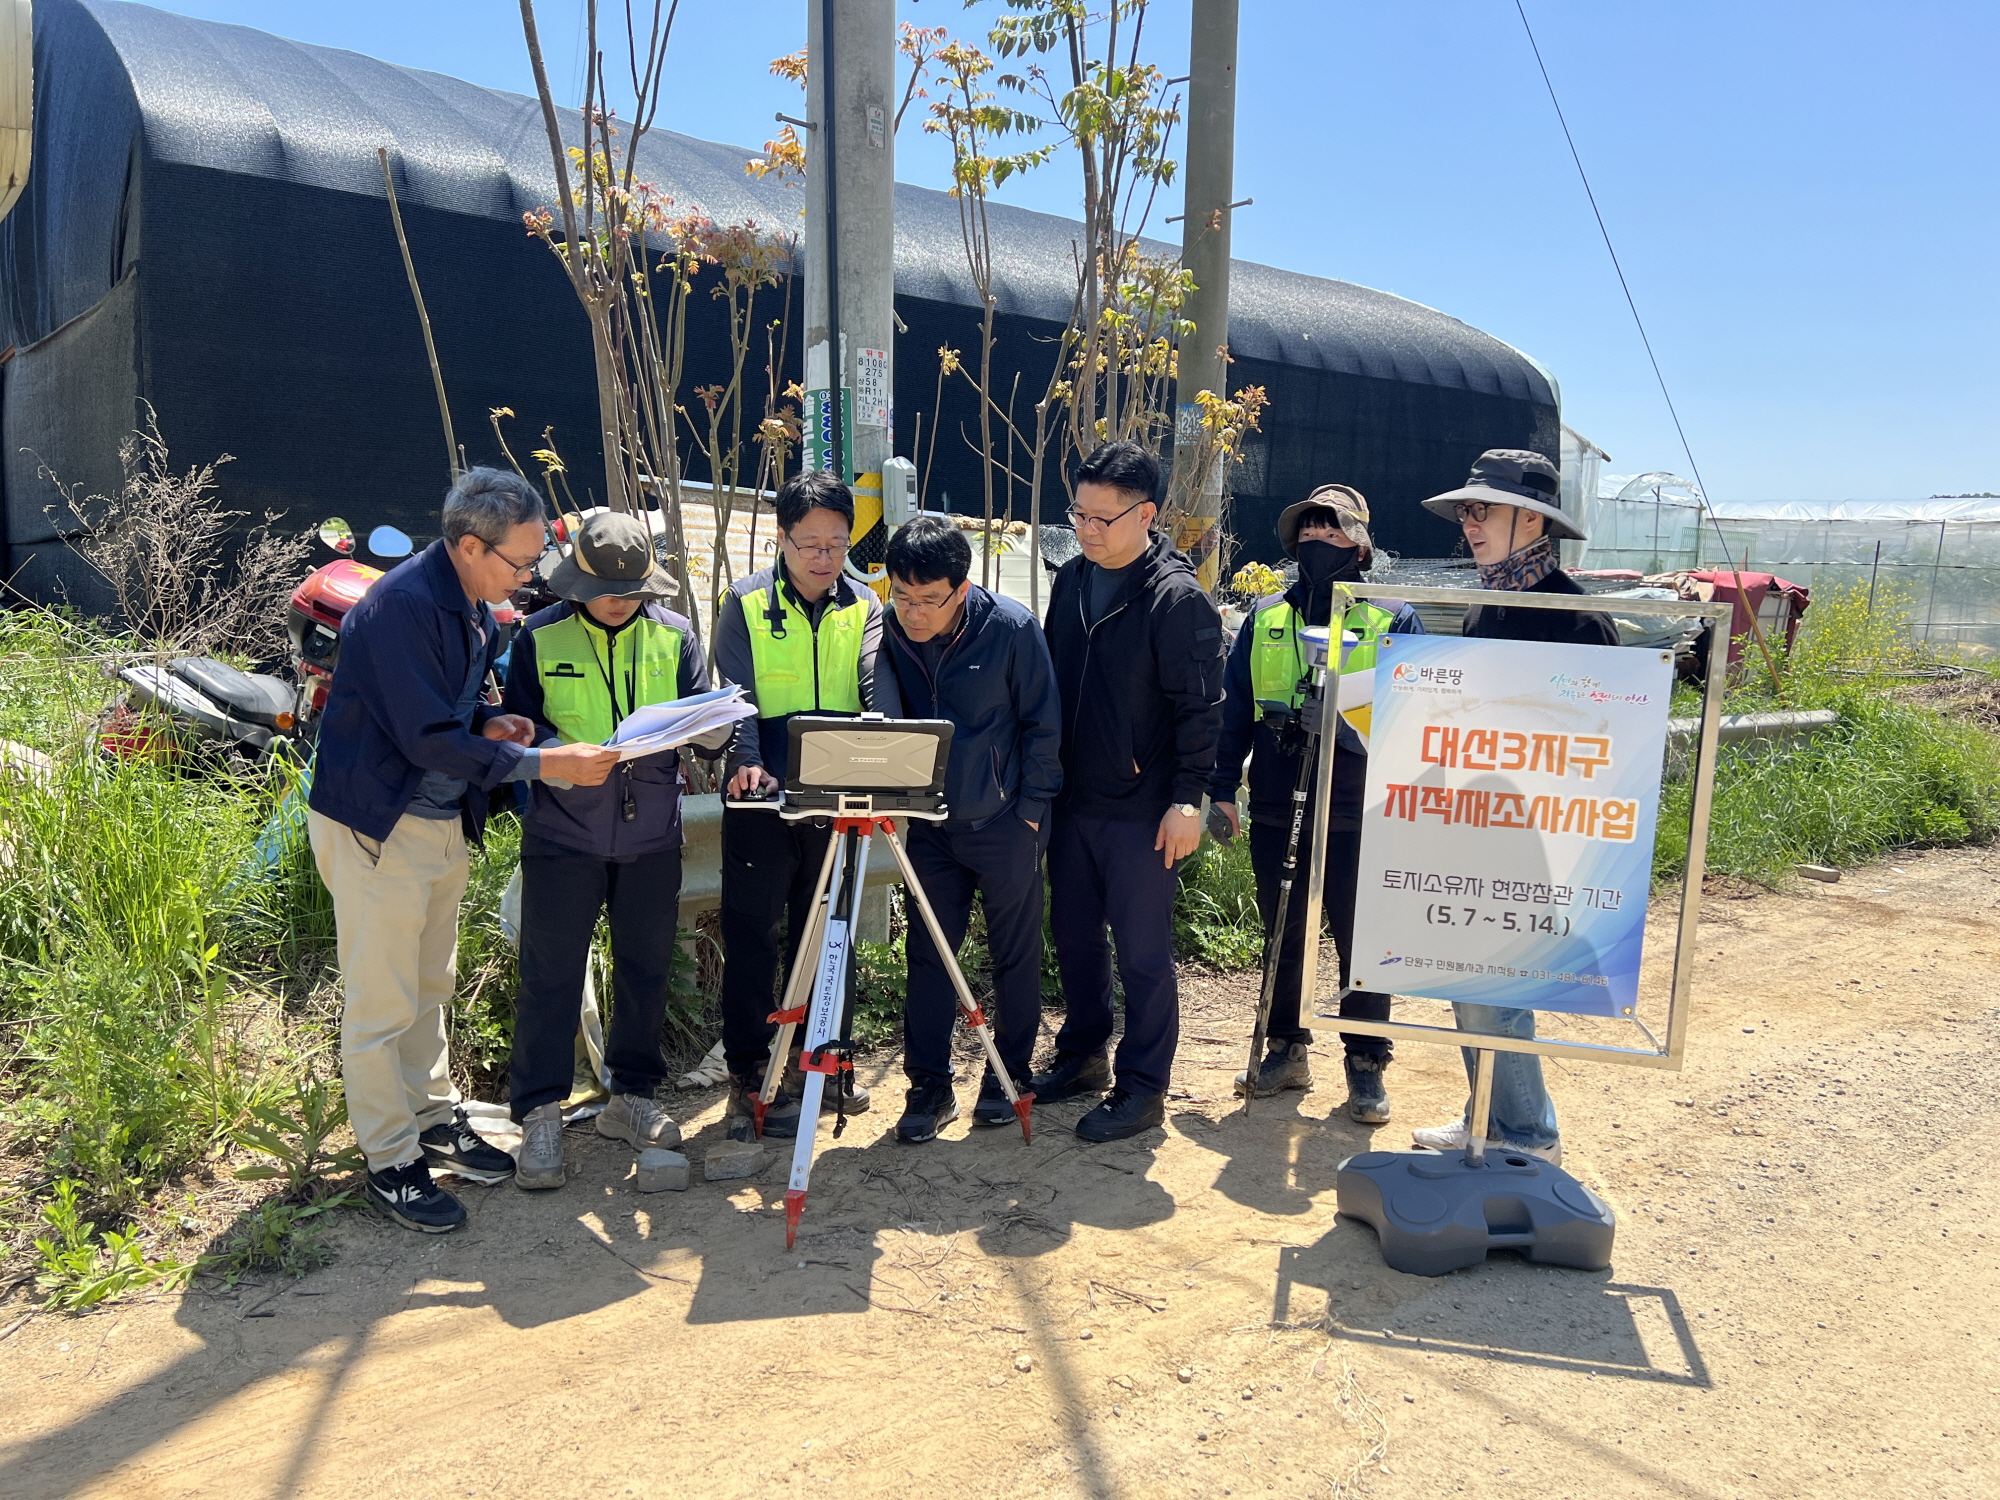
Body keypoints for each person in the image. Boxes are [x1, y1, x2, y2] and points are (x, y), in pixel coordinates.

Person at [306, 468, 621, 1232]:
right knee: (381, 1004)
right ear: (469, 545)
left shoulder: (475, 603)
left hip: (439, 821)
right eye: (519, 562)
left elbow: (451, 710)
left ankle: (434, 1117)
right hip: (377, 824)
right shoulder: (401, 607)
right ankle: (391, 1160)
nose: (527, 577)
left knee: (429, 981)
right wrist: (546, 762)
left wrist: (491, 722)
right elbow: (421, 736)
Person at [498, 511, 731, 1190]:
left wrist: (716, 731)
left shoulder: (677, 635)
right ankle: (539, 1114)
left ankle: (632, 1099)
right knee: (550, 974)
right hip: (562, 834)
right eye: (604, 589)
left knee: (646, 969)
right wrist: (554, 753)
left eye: (631, 590)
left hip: (652, 834)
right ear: (576, 583)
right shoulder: (539, 637)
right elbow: (515, 730)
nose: (618, 601)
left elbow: (704, 722)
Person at [1409, 448, 1618, 1165]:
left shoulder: (1581, 623)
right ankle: (1485, 1121)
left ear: (1532, 518)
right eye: (1465, 511)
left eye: (1482, 509)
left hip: (1543, 843)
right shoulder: (1481, 609)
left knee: (1500, 992)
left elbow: (1606, 747)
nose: (1468, 524)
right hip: (1476, 830)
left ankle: (1531, 1139)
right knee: (1470, 985)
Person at [1209, 485, 1424, 1121]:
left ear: (1359, 546)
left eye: (1332, 532)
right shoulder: (1267, 616)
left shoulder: (1394, 619)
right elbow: (1234, 710)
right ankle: (1287, 1047)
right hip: (1279, 800)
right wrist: (1222, 788)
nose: (1316, 541)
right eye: (1308, 531)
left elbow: (1413, 721)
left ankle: (1364, 1059)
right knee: (1286, 930)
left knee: (1363, 937)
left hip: (1362, 810)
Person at [1033, 441, 1227, 1143]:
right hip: (1073, 798)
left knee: (1143, 951)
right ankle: (1084, 1056)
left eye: (1103, 519)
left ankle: (1143, 1086)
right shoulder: (1072, 581)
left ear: (1146, 515)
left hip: (1145, 811)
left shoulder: (1177, 601)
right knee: (1076, 938)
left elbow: (1201, 710)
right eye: (1078, 514)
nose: (1086, 529)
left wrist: (1188, 802)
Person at [715, 470, 903, 1139]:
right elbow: (734, 695)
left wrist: (881, 757)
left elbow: (874, 687)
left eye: (835, 543)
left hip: (839, 790)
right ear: (783, 539)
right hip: (762, 793)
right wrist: (744, 763)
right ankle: (747, 1073)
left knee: (830, 938)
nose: (824, 557)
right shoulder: (743, 601)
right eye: (810, 544)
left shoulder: (865, 605)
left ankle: (822, 1065)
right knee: (753, 935)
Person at [879, 516, 1062, 1143]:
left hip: (1005, 822)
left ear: (960, 588)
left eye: (928, 600)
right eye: (901, 596)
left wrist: (1032, 809)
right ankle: (928, 1086)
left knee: (1014, 953)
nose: (913, 613)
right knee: (929, 954)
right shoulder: (892, 633)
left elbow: (1043, 724)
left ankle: (1007, 1073)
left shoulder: (1010, 629)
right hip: (930, 827)